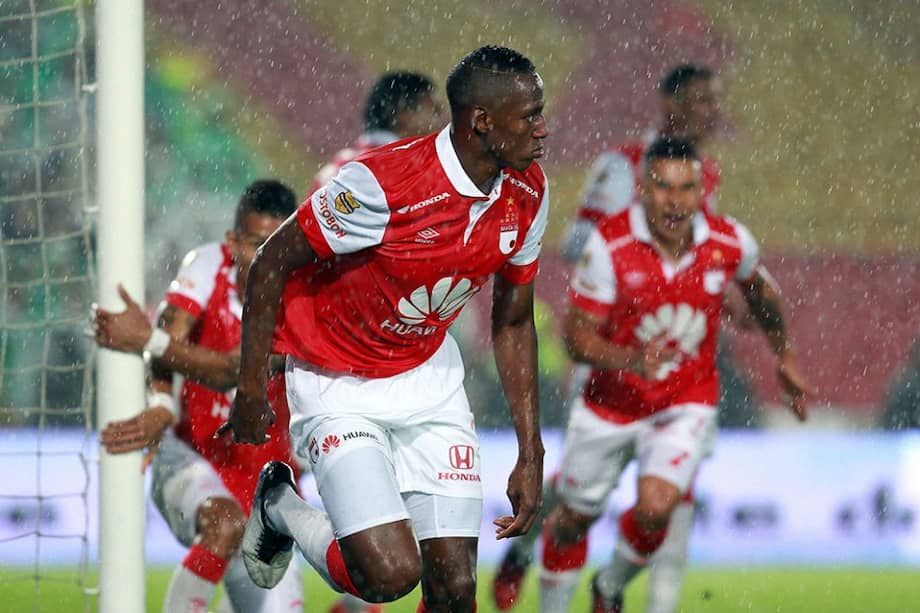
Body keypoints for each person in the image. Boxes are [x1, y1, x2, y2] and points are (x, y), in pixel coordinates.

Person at [219, 45, 549, 613]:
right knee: (389, 575)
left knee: (454, 592)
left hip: (428, 380)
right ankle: (278, 504)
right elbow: (272, 262)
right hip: (338, 382)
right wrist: (251, 386)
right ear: (482, 122)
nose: (542, 130)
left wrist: (530, 448)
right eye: (530, 116)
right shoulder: (380, 185)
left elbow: (514, 319)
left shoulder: (528, 191)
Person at [492, 64, 742, 613]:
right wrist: (637, 261)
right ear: (669, 102)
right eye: (699, 100)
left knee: (670, 495)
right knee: (577, 495)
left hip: (675, 354)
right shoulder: (621, 166)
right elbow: (579, 241)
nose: (710, 111)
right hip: (610, 344)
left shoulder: (706, 176)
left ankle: (647, 599)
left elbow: (706, 258)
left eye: (712, 99)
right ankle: (525, 548)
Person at [534, 137, 811, 612]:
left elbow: (762, 293)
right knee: (571, 522)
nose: (675, 201)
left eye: (686, 189)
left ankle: (608, 587)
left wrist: (783, 355)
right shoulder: (610, 246)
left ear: (702, 190)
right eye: (663, 187)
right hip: (610, 404)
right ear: (642, 188)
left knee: (657, 506)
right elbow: (576, 339)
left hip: (685, 401)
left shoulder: (728, 242)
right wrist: (632, 361)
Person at [95, 180, 305, 613]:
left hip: (266, 483)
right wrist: (161, 404)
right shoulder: (207, 265)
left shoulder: (304, 294)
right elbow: (171, 338)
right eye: (252, 244)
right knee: (223, 525)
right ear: (232, 241)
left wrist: (147, 339)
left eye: (273, 244)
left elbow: (235, 369)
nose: (263, 257)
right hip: (193, 457)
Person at [309, 70, 442, 195]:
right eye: (435, 111)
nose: (440, 121)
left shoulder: (341, 164)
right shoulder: (403, 169)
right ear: (404, 115)